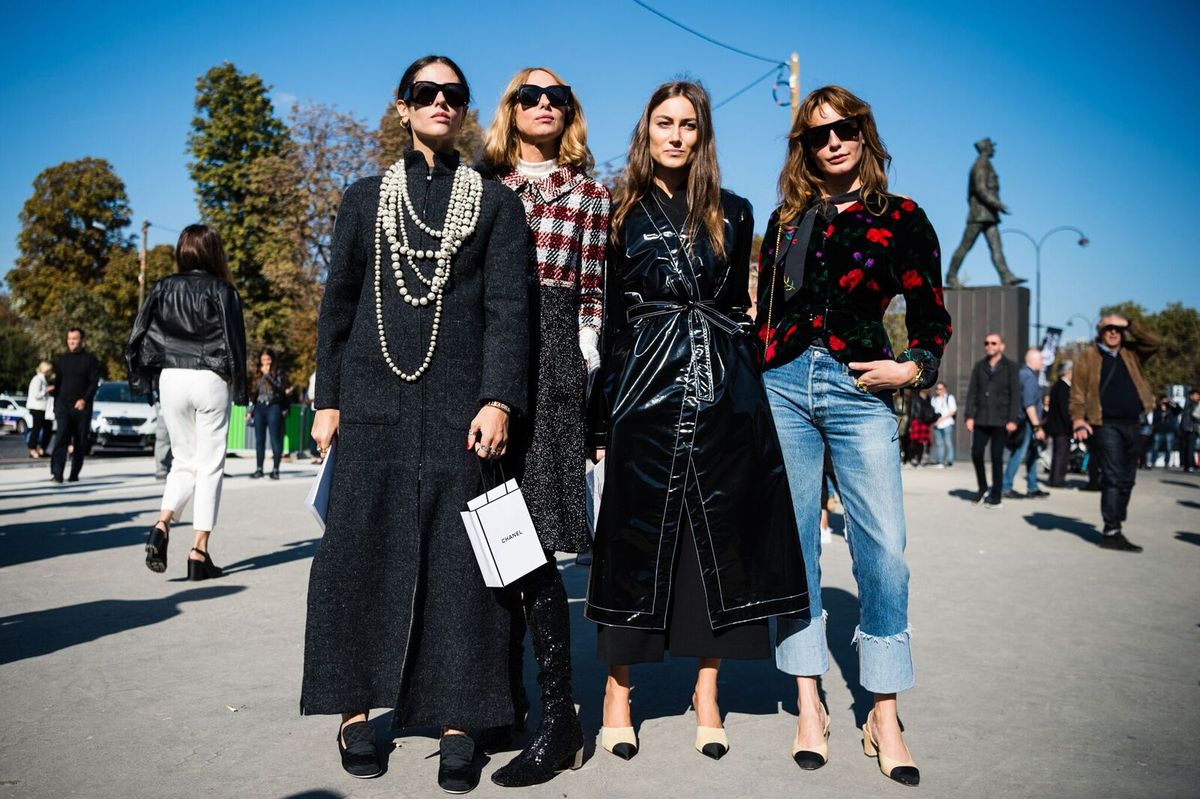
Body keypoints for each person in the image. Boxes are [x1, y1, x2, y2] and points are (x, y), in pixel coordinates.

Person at [301, 54, 531, 794]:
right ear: (402, 107)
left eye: (452, 95)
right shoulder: (364, 200)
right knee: (358, 551)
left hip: (464, 406)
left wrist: (499, 396)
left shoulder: (495, 206)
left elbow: (508, 311)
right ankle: (355, 706)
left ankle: (460, 717)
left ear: (464, 111)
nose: (439, 102)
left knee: (464, 562)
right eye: (424, 92)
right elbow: (337, 305)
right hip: (374, 397)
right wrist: (327, 398)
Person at [586, 80, 808, 766]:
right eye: (664, 123)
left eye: (688, 124)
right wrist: (604, 415)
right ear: (646, 130)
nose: (676, 135)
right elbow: (610, 319)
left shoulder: (734, 213)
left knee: (712, 539)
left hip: (721, 387)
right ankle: (616, 695)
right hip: (644, 385)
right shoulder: (619, 210)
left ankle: (706, 692)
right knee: (633, 541)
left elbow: (750, 310)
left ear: (703, 135)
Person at [757, 85, 951, 786]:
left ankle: (884, 709)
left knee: (885, 551)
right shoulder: (786, 222)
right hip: (783, 388)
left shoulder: (901, 218)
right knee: (796, 546)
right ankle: (809, 700)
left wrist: (910, 367)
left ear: (865, 135)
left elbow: (930, 312)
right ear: (804, 148)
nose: (832, 142)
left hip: (858, 387)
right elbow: (768, 313)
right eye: (817, 135)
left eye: (844, 129)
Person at [482, 66, 609, 786]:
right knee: (481, 532)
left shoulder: (590, 193)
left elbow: (594, 299)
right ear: (510, 110)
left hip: (555, 357)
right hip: (482, 358)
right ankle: (499, 699)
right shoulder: (480, 187)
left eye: (555, 96)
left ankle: (559, 717)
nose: (541, 105)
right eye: (527, 96)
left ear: (569, 112)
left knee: (527, 541)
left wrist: (581, 385)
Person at [127, 224, 248, 579]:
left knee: (182, 461)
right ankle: (199, 551)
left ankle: (162, 524)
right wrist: (241, 389)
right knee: (209, 465)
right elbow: (235, 342)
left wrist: (143, 376)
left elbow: (140, 332)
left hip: (172, 378)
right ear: (214, 252)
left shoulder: (163, 287)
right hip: (210, 377)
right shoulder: (224, 290)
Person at [1070, 314, 1160, 552]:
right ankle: (1111, 531)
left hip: (1134, 423)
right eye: (1108, 329)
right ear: (1100, 331)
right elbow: (1077, 393)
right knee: (1112, 476)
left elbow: (1155, 343)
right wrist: (1078, 420)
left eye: (1117, 330)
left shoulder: (1131, 353)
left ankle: (1116, 522)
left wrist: (1130, 324)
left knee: (1128, 479)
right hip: (1104, 424)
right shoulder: (1088, 357)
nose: (1113, 333)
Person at [944, 137, 1023, 288]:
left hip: (989, 215)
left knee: (997, 247)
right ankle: (951, 276)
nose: (994, 149)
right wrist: (997, 204)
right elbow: (980, 190)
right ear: (986, 148)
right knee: (965, 246)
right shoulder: (981, 165)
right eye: (992, 147)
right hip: (978, 215)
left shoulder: (987, 165)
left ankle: (1006, 276)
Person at [964, 332, 1020, 507]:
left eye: (994, 343)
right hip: (981, 418)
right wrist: (969, 416)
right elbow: (972, 392)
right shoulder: (979, 366)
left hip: (1001, 420)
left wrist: (1012, 419)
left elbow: (1015, 395)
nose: (989, 346)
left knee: (997, 457)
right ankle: (982, 487)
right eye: (987, 343)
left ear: (1001, 346)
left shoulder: (1010, 367)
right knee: (977, 453)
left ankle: (996, 495)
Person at [47, 328, 100, 483]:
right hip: (63, 406)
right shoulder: (61, 360)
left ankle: (74, 473)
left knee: (79, 441)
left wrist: (84, 399)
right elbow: (58, 383)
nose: (71, 341)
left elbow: (93, 383)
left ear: (82, 340)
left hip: (82, 407)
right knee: (60, 439)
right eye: (69, 338)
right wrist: (55, 400)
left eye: (75, 338)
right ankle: (57, 474)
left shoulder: (90, 360)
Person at [1001, 348, 1048, 498]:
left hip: (1026, 422)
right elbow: (1029, 405)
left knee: (1032, 454)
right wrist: (1037, 427)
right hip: (1027, 423)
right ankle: (1006, 486)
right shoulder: (1029, 377)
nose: (1043, 362)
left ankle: (1032, 487)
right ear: (1031, 360)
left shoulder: (1025, 375)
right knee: (1019, 454)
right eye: (1040, 359)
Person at [247, 349, 288, 479]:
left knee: (275, 439)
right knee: (259, 440)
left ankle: (275, 470)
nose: (265, 362)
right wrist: (250, 410)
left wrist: (268, 375)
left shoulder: (279, 371)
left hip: (274, 407)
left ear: (272, 359)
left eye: (268, 359)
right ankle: (259, 469)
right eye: (263, 360)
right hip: (259, 407)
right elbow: (254, 392)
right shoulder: (258, 372)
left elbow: (280, 388)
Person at [1044, 361, 1074, 487]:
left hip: (1057, 426)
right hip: (1061, 427)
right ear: (1067, 372)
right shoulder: (1063, 387)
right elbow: (1064, 408)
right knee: (1061, 454)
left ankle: (1055, 478)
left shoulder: (1057, 385)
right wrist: (1070, 423)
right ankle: (1057, 479)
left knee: (1058, 453)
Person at [25, 361, 54, 458]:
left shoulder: (43, 380)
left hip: (44, 409)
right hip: (37, 408)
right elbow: (36, 395)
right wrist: (46, 390)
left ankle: (42, 449)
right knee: (36, 429)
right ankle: (32, 449)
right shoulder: (37, 379)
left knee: (48, 428)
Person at [1147, 395, 1179, 469]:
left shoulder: (1172, 409)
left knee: (1169, 448)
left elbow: (1179, 409)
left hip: (1169, 430)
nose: (1165, 402)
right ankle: (1152, 462)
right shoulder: (1157, 409)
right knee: (1155, 447)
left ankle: (1166, 463)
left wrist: (1172, 402)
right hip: (1159, 430)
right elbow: (1154, 419)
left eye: (1166, 401)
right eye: (1163, 400)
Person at [929, 381, 957, 467]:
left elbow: (953, 411)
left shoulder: (949, 398)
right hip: (936, 425)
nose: (939, 391)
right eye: (937, 389)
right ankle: (939, 460)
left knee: (948, 442)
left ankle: (949, 460)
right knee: (939, 443)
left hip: (947, 423)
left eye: (941, 389)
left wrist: (941, 419)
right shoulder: (933, 399)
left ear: (945, 389)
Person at [905, 389, 933, 467]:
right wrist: (910, 425)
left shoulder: (928, 399)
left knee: (922, 442)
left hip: (924, 423)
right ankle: (911, 459)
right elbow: (912, 412)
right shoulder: (915, 399)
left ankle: (919, 460)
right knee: (914, 442)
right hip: (916, 422)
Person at [1180, 388, 1200, 473]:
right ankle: (1190, 465)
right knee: (1190, 447)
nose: (1198, 396)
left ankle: (1188, 465)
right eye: (1197, 395)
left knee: (1187, 447)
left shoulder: (1187, 403)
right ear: (1191, 395)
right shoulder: (1192, 404)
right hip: (1191, 428)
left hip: (1187, 427)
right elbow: (1194, 415)